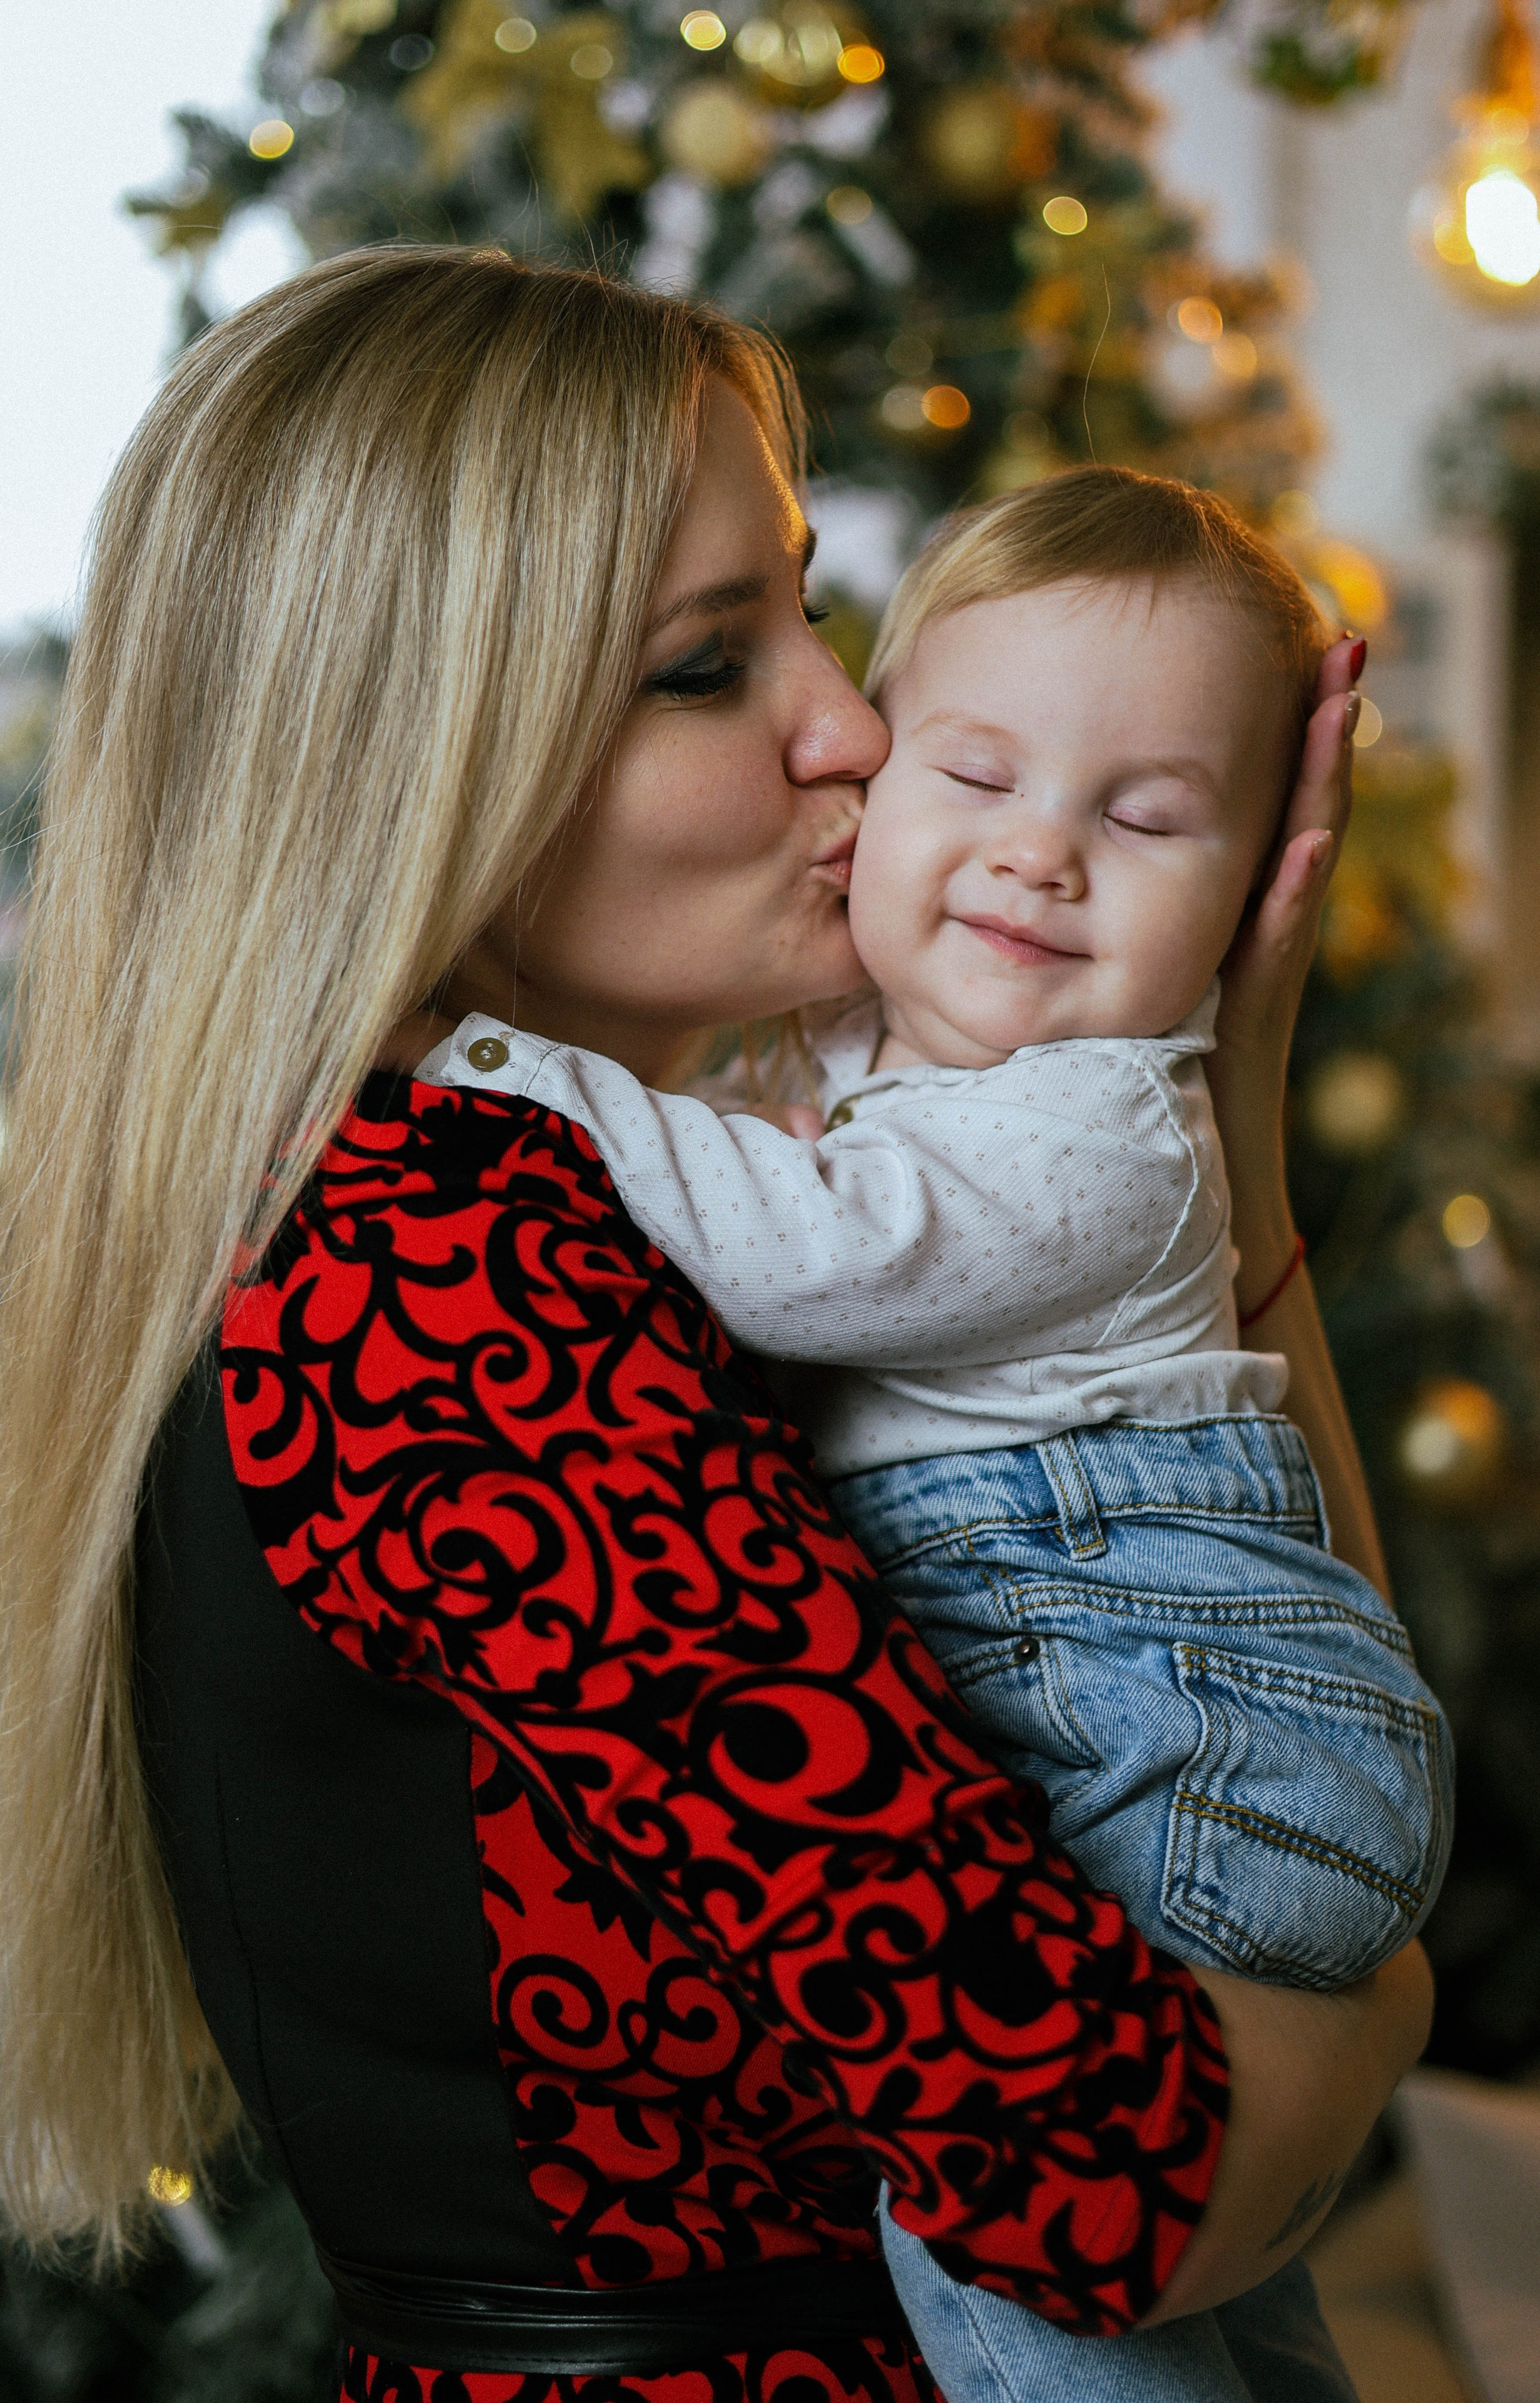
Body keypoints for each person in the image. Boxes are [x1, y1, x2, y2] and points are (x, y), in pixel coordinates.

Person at [0, 248, 1432, 2403]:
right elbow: (1117, 2176)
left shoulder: (551, 1199)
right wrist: (1389, 1997)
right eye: (702, 665)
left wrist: (1227, 1117)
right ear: (423, 764)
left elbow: (1257, 1604)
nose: (853, 723)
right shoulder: (439, 1281)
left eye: (813, 608)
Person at [424, 466, 1453, 2401]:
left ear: (1248, 900)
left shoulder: (1095, 1132)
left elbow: (802, 1253)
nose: (1042, 855)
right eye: (971, 778)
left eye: (1146, 820)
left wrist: (503, 1071)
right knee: (1228, 2312)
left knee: (1007, 2234)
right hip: (1178, 1701)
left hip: (1195, 1734)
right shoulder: (860, 1067)